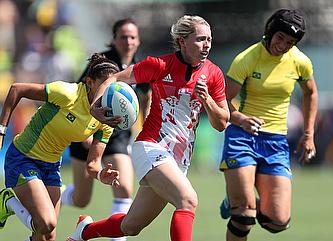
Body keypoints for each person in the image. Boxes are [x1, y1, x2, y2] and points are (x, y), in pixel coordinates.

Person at [66, 15, 230, 241]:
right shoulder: (159, 65)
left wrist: (208, 101)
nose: (207, 45)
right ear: (182, 41)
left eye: (209, 39)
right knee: (188, 199)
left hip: (178, 160)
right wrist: (95, 106)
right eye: (200, 39)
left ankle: (84, 232)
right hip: (151, 147)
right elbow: (113, 79)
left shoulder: (214, 74)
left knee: (131, 226)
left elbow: (221, 123)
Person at [218, 9, 318, 240]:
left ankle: (234, 197)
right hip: (242, 136)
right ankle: (238, 199)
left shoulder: (300, 62)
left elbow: (310, 93)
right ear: (270, 32)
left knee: (278, 222)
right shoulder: (247, 59)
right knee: (244, 216)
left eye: (290, 42)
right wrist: (241, 119)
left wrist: (308, 133)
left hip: (276, 141)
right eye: (280, 38)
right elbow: (223, 101)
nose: (282, 45)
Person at [0, 53, 122, 241]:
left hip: (50, 166)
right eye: (104, 85)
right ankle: (8, 202)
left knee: (47, 236)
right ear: (89, 82)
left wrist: (100, 174)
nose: (109, 90)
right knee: (47, 223)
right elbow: (17, 89)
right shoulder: (68, 93)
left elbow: (92, 164)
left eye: (113, 85)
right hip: (23, 158)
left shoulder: (105, 119)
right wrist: (1, 131)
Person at [62, 19, 151, 241]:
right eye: (123, 36)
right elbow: (82, 93)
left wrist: (146, 125)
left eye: (132, 37)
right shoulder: (102, 64)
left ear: (138, 40)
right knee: (82, 199)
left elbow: (147, 94)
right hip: (87, 130)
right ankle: (56, 194)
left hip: (117, 135)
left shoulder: (139, 68)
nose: (128, 41)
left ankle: (117, 239)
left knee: (124, 189)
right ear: (113, 39)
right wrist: (87, 133)